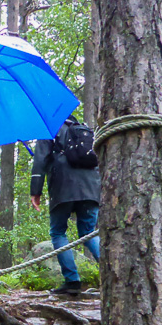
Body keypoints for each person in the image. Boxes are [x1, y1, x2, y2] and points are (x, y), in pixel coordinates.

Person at [29, 115, 100, 296]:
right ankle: (115, 274)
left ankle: (72, 281)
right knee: (89, 232)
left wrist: (35, 191)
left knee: (58, 232)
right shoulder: (83, 129)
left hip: (63, 188)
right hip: (91, 188)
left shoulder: (49, 129)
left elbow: (40, 160)